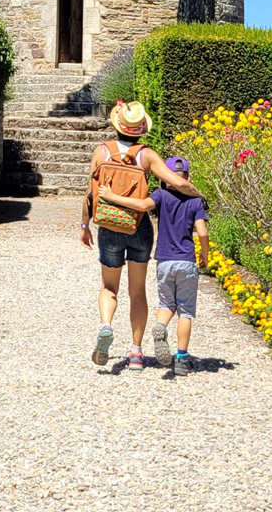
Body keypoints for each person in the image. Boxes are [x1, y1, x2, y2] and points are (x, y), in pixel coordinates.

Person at [79, 100, 197, 370]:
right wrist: (198, 194)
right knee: (137, 292)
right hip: (138, 226)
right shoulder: (147, 155)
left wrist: (85, 225)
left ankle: (106, 326)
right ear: (141, 129)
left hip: (109, 225)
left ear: (117, 125)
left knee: (109, 287)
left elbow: (89, 194)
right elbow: (176, 182)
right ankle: (135, 353)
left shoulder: (101, 152)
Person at [96, 153, 209, 376]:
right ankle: (182, 359)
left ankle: (161, 325)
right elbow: (202, 233)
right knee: (185, 311)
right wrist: (205, 253)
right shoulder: (196, 202)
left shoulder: (161, 195)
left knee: (166, 304)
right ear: (187, 177)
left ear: (165, 177)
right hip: (186, 261)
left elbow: (139, 204)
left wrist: (110, 196)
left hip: (165, 260)